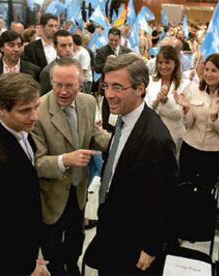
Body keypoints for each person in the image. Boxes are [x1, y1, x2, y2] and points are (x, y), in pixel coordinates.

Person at [84, 53, 177, 275]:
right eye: (106, 86)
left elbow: (163, 199)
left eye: (117, 87)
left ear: (140, 88)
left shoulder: (157, 139)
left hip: (133, 243)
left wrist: (151, 247)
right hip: (112, 228)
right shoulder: (124, 118)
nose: (108, 95)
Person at [31, 58, 110, 275]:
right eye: (58, 85)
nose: (63, 91)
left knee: (76, 237)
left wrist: (117, 141)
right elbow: (37, 163)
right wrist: (65, 160)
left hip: (79, 189)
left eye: (69, 85)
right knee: (52, 243)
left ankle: (72, 264)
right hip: (52, 195)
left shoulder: (87, 102)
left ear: (81, 84)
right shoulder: (38, 111)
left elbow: (94, 136)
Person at [0, 73, 48, 275]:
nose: (34, 116)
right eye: (25, 111)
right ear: (1, 109)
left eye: (36, 107)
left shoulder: (9, 126)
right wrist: (26, 268)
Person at [175, 53, 219, 191]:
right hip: (190, 148)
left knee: (205, 191)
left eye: (214, 70)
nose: (208, 74)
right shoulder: (194, 88)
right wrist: (186, 109)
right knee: (184, 187)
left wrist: (215, 117)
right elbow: (188, 124)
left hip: (214, 152)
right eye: (206, 69)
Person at [145, 45, 190, 156]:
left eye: (167, 62)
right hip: (152, 134)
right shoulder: (151, 81)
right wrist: (157, 101)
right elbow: (146, 110)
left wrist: (165, 102)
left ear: (175, 63)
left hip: (173, 136)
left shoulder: (185, 85)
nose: (163, 66)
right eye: (160, 62)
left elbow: (179, 115)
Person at [39, 30, 74, 95]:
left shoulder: (77, 67)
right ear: (55, 46)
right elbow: (44, 99)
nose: (68, 49)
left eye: (70, 45)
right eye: (63, 46)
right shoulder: (48, 72)